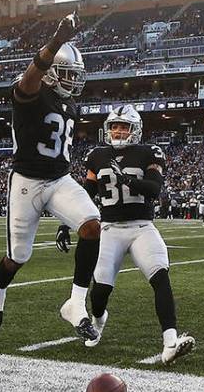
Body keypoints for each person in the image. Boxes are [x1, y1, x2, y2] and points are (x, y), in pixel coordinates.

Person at [0, 12, 103, 342]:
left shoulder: (71, 106)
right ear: (51, 72)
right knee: (17, 257)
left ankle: (76, 304)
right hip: (26, 182)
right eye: (66, 73)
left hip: (59, 179)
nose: (73, 80)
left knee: (92, 225)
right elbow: (30, 77)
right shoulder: (30, 93)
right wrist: (56, 40)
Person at [81, 105, 195, 363]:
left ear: (135, 130)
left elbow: (154, 189)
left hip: (142, 226)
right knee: (99, 292)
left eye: (124, 126)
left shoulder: (149, 152)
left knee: (160, 276)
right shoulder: (96, 155)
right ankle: (99, 320)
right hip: (109, 229)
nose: (118, 131)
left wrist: (128, 180)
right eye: (114, 126)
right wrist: (68, 223)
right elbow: (86, 194)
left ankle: (170, 342)